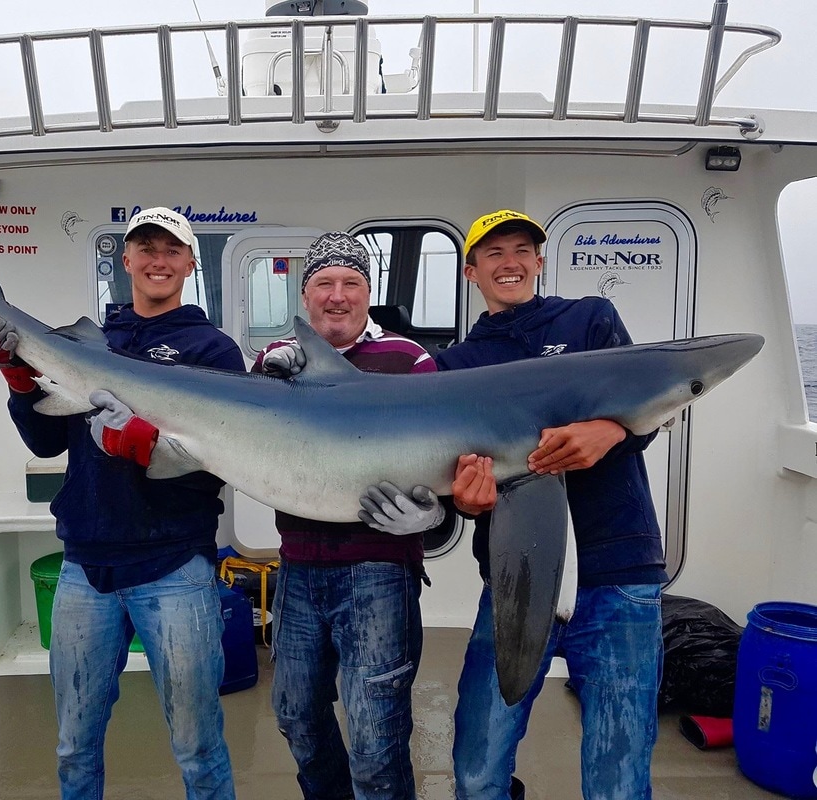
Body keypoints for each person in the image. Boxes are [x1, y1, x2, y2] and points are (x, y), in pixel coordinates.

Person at [0, 207, 243, 800]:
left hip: (174, 566)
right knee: (73, 744)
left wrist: (149, 448)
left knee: (198, 746)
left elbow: (218, 468)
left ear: (190, 264)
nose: (158, 260)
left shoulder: (213, 351)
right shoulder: (83, 344)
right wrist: (19, 381)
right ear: (125, 261)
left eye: (171, 250)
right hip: (84, 567)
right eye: (145, 247)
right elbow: (46, 440)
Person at [439, 209, 665, 800]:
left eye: (521, 250)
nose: (509, 263)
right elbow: (455, 475)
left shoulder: (590, 319)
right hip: (519, 576)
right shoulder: (455, 367)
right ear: (471, 272)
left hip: (618, 571)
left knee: (619, 773)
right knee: (476, 764)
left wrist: (613, 431)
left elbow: (648, 402)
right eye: (493, 254)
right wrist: (466, 504)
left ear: (539, 260)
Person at [252, 230, 453, 800]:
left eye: (351, 283)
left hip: (379, 570)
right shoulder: (275, 362)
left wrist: (433, 517)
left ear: (369, 292)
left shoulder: (410, 360)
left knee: (375, 737)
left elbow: (447, 460)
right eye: (323, 283)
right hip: (297, 569)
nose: (336, 295)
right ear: (305, 293)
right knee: (295, 715)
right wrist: (267, 373)